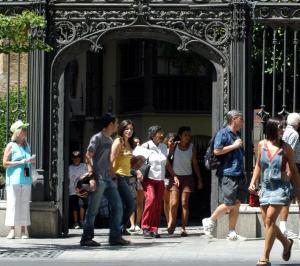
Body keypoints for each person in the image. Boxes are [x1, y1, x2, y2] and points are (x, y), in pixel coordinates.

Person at [248, 117, 300, 266]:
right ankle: (286, 243)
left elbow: (294, 171)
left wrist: (298, 188)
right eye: (280, 127)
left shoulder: (286, 148)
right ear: (272, 129)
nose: (283, 130)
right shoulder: (261, 145)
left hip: (281, 188)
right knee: (267, 222)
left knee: (270, 220)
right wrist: (253, 182)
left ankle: (264, 257)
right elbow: (258, 165)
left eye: (283, 127)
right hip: (265, 188)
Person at [80, 113, 129, 247]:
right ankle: (86, 238)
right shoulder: (97, 138)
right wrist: (91, 177)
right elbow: (88, 156)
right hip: (98, 179)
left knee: (118, 206)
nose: (117, 126)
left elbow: (108, 160)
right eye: (116, 123)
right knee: (93, 210)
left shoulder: (109, 140)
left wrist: (112, 175)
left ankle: (115, 237)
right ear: (111, 124)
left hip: (108, 180)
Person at [202, 110, 246, 240]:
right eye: (241, 119)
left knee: (236, 203)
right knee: (229, 203)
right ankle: (210, 220)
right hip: (228, 173)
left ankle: (231, 232)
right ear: (234, 119)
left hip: (238, 172)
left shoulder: (236, 134)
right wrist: (234, 146)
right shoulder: (223, 133)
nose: (243, 122)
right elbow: (217, 151)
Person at [167, 126, 203, 237]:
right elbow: (167, 159)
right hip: (175, 177)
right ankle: (172, 222)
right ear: (180, 136)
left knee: (184, 203)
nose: (187, 137)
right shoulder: (174, 146)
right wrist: (169, 147)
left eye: (189, 135)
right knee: (173, 203)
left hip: (188, 177)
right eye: (185, 135)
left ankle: (183, 228)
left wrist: (199, 179)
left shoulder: (192, 147)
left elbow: (195, 163)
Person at [2, 120, 35, 239]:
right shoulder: (11, 145)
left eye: (25, 129)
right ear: (17, 132)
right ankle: (12, 230)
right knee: (13, 204)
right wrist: (19, 162)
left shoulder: (27, 145)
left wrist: (31, 161)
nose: (25, 131)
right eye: (23, 129)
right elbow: (4, 163)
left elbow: (29, 161)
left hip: (26, 179)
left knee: (24, 204)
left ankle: (23, 230)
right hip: (14, 179)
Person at [141, 125, 168, 238]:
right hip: (149, 178)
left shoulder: (163, 146)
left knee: (157, 204)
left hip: (160, 179)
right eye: (159, 132)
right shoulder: (146, 146)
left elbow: (165, 163)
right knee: (150, 200)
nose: (161, 135)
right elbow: (137, 161)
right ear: (152, 134)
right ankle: (145, 226)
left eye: (161, 132)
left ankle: (154, 228)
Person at [111, 120, 136, 235]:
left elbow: (128, 163)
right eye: (127, 129)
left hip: (127, 176)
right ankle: (119, 227)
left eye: (131, 129)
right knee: (131, 204)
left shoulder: (129, 143)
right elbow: (111, 159)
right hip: (118, 176)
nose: (129, 131)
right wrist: (112, 176)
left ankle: (120, 228)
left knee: (123, 204)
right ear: (122, 129)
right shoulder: (118, 141)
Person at [279, 113, 300, 238]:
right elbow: (289, 152)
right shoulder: (294, 133)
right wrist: (289, 171)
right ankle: (283, 228)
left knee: (287, 197)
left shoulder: (286, 131)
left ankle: (283, 227)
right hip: (294, 167)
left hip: (289, 167)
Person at [69, 150, 88, 229]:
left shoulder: (84, 166)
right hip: (72, 190)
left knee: (82, 205)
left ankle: (82, 221)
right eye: (74, 158)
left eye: (78, 158)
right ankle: (76, 223)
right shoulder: (69, 168)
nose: (76, 159)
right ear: (72, 159)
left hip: (82, 190)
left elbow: (89, 173)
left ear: (80, 158)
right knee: (74, 207)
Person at [163, 132, 176, 226]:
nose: (172, 143)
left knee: (173, 201)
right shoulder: (165, 151)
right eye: (171, 141)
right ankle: (168, 220)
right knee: (166, 201)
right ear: (167, 141)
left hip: (174, 177)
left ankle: (171, 220)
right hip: (165, 177)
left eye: (174, 141)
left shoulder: (177, 151)